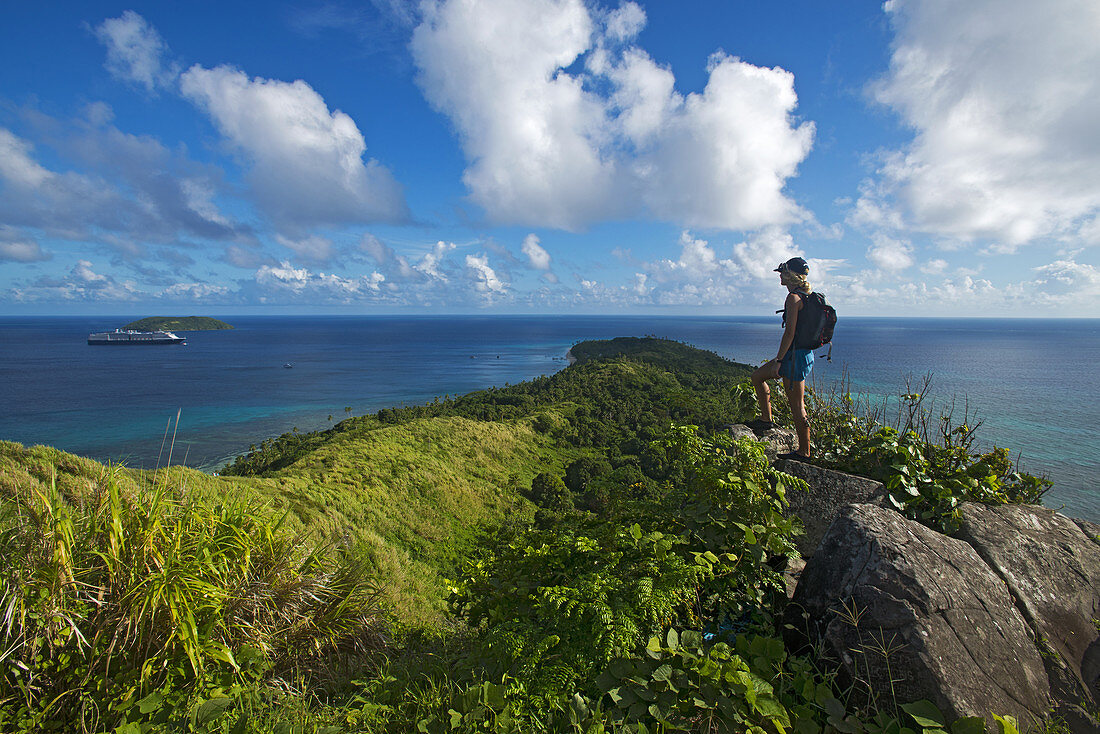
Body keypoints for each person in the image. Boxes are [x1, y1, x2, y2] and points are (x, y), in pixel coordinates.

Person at [747, 257, 815, 461]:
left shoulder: (794, 298)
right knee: (757, 377)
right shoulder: (809, 297)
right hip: (802, 355)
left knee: (797, 405)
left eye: (782, 274)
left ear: (789, 275)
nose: (780, 278)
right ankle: (766, 419)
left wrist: (779, 360)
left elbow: (790, 333)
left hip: (794, 357)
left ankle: (804, 452)